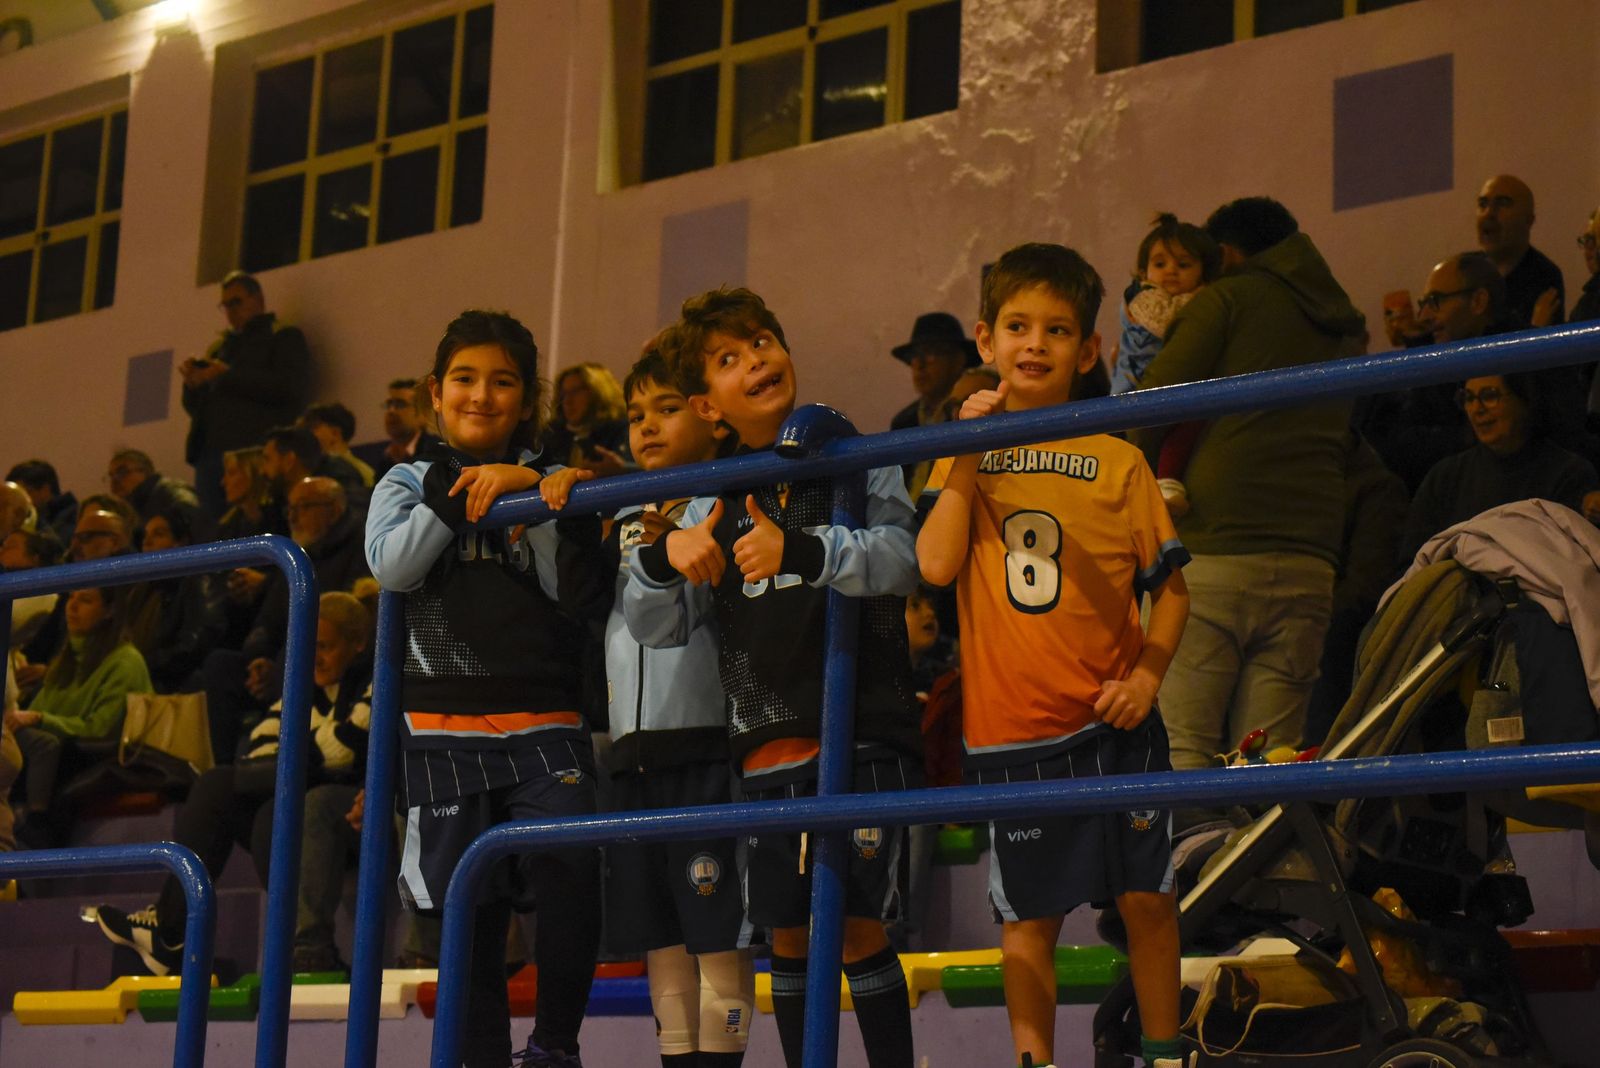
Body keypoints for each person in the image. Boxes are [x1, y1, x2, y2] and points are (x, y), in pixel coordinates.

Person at [627, 287, 922, 1068]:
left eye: (761, 341)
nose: (754, 360)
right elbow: (655, 626)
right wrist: (664, 560)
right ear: (707, 405)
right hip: (763, 750)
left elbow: (904, 561)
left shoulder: (855, 456)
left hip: (859, 734)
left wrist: (808, 552)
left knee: (857, 925)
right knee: (786, 931)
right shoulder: (708, 500)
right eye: (728, 359)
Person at [916, 242, 1191, 1068]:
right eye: (1018, 326)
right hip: (1015, 737)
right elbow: (933, 565)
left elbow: (1171, 590)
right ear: (985, 339)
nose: (1036, 343)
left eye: (1058, 329)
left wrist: (1146, 676)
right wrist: (966, 450)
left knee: (1148, 900)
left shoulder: (1120, 459)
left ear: (1090, 348)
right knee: (1028, 919)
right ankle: (1034, 1060)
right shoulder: (964, 454)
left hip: (1117, 727)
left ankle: (1166, 1054)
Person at [366, 309, 607, 1068]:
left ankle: (555, 1048)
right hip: (441, 732)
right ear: (436, 393)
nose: (481, 396)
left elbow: (566, 589)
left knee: (571, 869)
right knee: (467, 914)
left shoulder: (552, 482)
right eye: (464, 379)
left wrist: (532, 492)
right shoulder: (404, 481)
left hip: (545, 721)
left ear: (526, 402)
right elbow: (393, 567)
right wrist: (462, 492)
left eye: (502, 382)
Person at [1131, 197, 1363, 781]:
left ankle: (1187, 876)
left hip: (1213, 553)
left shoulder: (1228, 298)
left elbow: (1151, 403)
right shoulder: (1342, 321)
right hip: (1311, 559)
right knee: (1269, 767)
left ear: (1226, 254)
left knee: (1180, 755)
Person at [604, 341, 755, 1068]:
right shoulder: (622, 508)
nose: (648, 427)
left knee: (715, 935)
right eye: (636, 415)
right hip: (630, 760)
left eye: (667, 409)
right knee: (659, 937)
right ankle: (675, 1058)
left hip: (702, 745)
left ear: (711, 416)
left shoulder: (723, 503)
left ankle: (722, 1061)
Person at [90, 591, 374, 975]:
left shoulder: (376, 678)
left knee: (272, 814)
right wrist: (306, 754)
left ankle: (309, 947)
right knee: (217, 786)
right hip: (304, 798)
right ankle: (170, 932)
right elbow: (259, 748)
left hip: (357, 813)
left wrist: (300, 753)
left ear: (358, 645)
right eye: (308, 646)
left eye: (324, 646)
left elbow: (344, 750)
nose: (314, 657)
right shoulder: (304, 689)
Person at [7, 586, 152, 847]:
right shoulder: (65, 660)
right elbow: (34, 714)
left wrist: (41, 719)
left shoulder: (126, 661)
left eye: (85, 600)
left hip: (96, 757)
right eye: (71, 597)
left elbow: (101, 729)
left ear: (109, 611)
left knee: (44, 747)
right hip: (59, 755)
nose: (72, 606)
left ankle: (35, 830)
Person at [1400, 373, 1600, 562]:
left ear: (1524, 400)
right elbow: (1414, 559)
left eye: (1489, 396)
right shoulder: (1446, 476)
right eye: (1468, 398)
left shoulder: (1569, 473)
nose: (1477, 409)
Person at [1112, 213, 1223, 516]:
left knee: (1189, 426)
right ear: (1144, 269)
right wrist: (1209, 299)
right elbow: (1163, 322)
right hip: (1132, 388)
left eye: (1183, 265)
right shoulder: (1141, 294)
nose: (1170, 271)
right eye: (1160, 264)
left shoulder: (1190, 299)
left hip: (1166, 385)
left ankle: (1166, 480)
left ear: (1204, 271)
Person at [181, 271, 312, 519]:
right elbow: (196, 410)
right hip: (210, 456)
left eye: (236, 302)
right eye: (225, 305)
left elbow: (289, 388)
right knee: (214, 533)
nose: (231, 311)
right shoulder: (219, 348)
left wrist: (226, 375)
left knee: (255, 522)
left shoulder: (282, 336)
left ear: (258, 299)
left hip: (254, 451)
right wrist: (193, 384)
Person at [124, 511, 224, 693]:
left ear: (181, 542)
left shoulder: (196, 580)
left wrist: (142, 665)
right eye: (146, 535)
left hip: (175, 684)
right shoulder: (144, 592)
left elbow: (194, 644)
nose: (147, 542)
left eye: (159, 534)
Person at [888, 312, 980, 498]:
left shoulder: (970, 412)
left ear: (958, 360)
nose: (919, 364)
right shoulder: (904, 421)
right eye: (915, 355)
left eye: (932, 352)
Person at [1474, 175, 1564, 330]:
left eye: (1502, 204)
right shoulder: (1467, 273)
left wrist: (1534, 331)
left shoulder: (1544, 276)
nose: (1488, 213)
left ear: (1528, 220)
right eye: (1483, 204)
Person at [543, 362, 631, 476]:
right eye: (564, 394)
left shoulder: (623, 430)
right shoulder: (551, 434)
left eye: (575, 391)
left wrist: (622, 470)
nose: (567, 401)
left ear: (599, 392)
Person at [262, 424, 370, 518]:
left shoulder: (342, 493)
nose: (262, 470)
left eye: (267, 460)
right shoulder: (282, 500)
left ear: (289, 461)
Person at [352, 377, 443, 482]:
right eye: (389, 404)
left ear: (422, 414)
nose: (391, 411)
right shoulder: (386, 457)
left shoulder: (435, 452)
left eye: (400, 404)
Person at [104, 449, 205, 541]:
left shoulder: (170, 492)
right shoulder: (128, 510)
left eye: (122, 472)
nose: (114, 481)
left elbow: (196, 521)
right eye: (111, 476)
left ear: (145, 472)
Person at [215, 446, 284, 542]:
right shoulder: (230, 525)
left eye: (232, 473)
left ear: (253, 474)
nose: (223, 482)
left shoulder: (279, 518)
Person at [302, 402, 376, 488]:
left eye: (313, 427)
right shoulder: (310, 471)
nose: (306, 434)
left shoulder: (363, 473)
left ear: (335, 433)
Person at [5, 460, 76, 546]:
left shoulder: (72, 515)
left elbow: (53, 550)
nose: (17, 502)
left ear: (45, 490)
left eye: (22, 495)